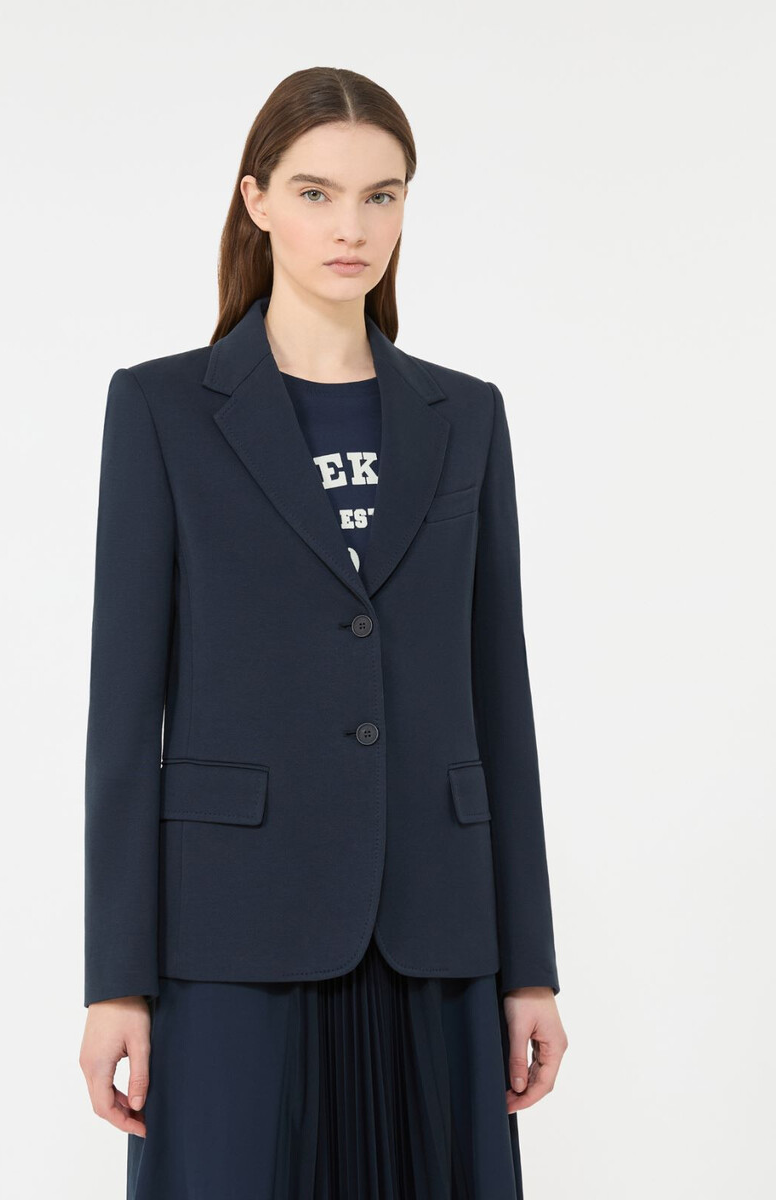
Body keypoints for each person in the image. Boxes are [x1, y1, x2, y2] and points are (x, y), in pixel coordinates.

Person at [78, 66, 568, 1200]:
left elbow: (500, 696)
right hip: (232, 930)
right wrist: (116, 981)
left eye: (381, 196)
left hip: (436, 929)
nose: (352, 228)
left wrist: (530, 966)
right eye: (316, 193)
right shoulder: (161, 410)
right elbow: (123, 719)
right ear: (255, 199)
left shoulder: (466, 414)